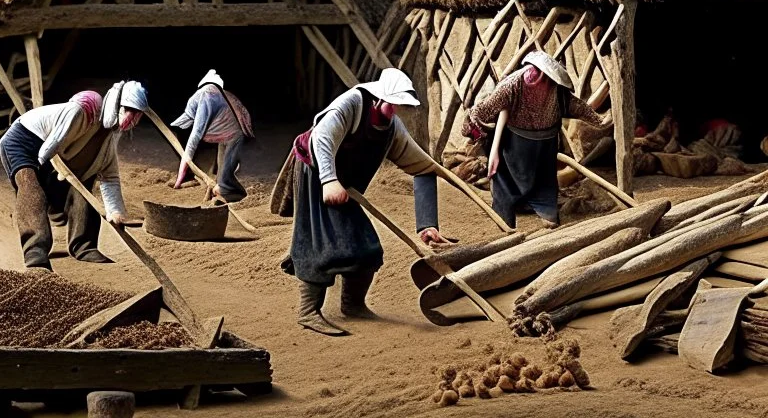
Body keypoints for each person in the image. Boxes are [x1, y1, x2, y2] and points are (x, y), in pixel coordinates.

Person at [284, 68, 444, 336]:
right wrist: (329, 181)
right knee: (318, 241)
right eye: (394, 104)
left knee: (368, 247)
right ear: (380, 99)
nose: (397, 111)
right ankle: (308, 311)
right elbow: (322, 138)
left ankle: (353, 304)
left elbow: (423, 169)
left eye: (401, 105)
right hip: (316, 173)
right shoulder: (351, 105)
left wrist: (426, 223)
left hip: (344, 185)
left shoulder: (392, 128)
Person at [0, 80, 147, 269]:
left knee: (85, 181)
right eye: (129, 111)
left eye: (136, 115)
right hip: (25, 140)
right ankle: (35, 254)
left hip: (59, 152)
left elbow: (109, 176)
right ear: (117, 104)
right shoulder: (82, 109)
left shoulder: (106, 141)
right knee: (32, 190)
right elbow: (52, 144)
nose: (131, 119)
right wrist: (51, 188)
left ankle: (84, 246)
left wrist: (115, 212)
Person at [463, 51, 609, 228]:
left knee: (545, 190)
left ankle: (549, 219)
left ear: (546, 78)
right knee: (505, 187)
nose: (532, 76)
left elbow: (580, 108)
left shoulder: (558, 93)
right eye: (531, 70)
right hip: (513, 148)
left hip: (544, 150)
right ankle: (506, 229)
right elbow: (484, 110)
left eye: (538, 73)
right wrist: (473, 127)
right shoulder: (511, 85)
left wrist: (602, 121)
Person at [171, 70, 254, 202]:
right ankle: (220, 188)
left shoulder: (207, 97)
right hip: (225, 136)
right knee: (222, 172)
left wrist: (180, 176)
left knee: (225, 178)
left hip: (235, 135)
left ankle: (233, 195)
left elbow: (195, 136)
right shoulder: (203, 96)